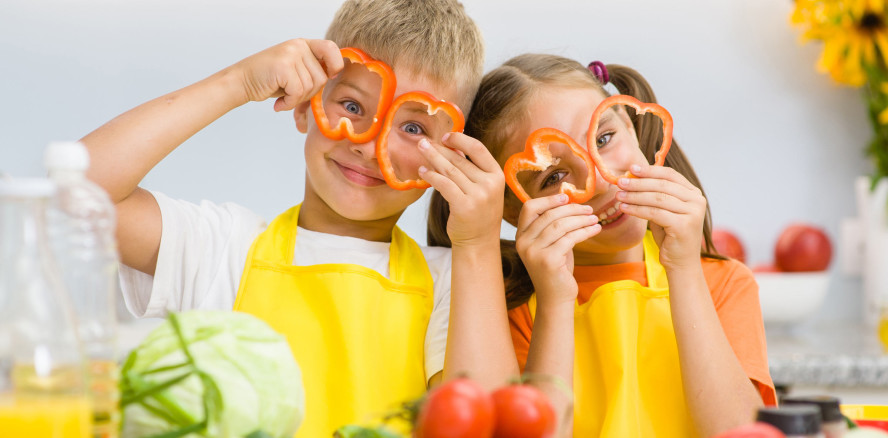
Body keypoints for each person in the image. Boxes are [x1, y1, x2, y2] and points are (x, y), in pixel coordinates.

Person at [81, 1, 518, 436]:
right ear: (306, 106)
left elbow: (494, 425)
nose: (369, 146)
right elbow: (78, 195)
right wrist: (238, 82)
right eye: (352, 105)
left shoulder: (453, 283)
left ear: (451, 155)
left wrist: (477, 243)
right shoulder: (222, 249)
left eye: (413, 128)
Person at [428, 53, 777, 437]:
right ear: (510, 210)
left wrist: (684, 270)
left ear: (629, 122)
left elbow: (740, 431)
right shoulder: (513, 310)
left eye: (604, 139)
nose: (600, 181)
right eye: (554, 175)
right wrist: (555, 301)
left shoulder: (724, 284)